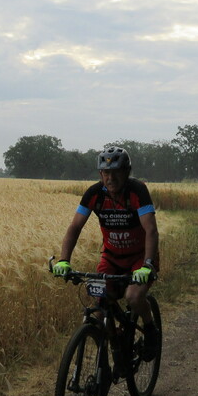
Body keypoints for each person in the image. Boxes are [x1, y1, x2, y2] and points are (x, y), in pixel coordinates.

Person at [52, 146, 160, 357]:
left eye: (116, 172)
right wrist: (64, 260)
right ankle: (115, 346)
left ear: (126, 172)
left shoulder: (137, 191)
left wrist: (148, 264)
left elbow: (151, 230)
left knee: (133, 296)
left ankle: (150, 328)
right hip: (111, 257)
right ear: (100, 173)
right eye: (105, 173)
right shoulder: (94, 194)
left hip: (140, 257)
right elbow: (74, 227)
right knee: (100, 301)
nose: (110, 178)